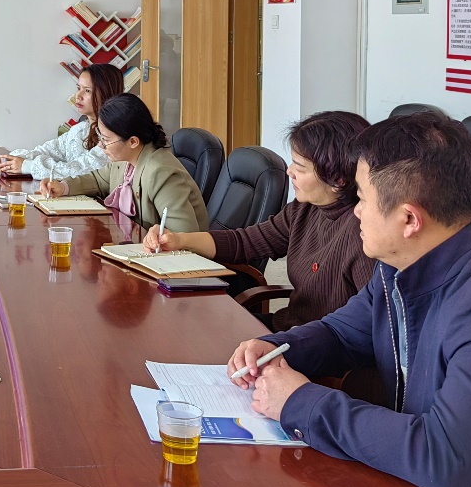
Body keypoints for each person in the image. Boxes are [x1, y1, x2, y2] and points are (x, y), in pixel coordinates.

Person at [228, 113, 471, 487]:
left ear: (409, 219)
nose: (355, 212)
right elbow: (343, 333)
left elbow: (442, 457)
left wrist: (300, 402)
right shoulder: (405, 263)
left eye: (362, 199)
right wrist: (273, 348)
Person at [143, 110, 374, 328]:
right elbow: (245, 242)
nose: (289, 172)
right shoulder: (304, 209)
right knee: (183, 324)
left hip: (313, 346)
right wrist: (179, 240)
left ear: (338, 179)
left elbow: (367, 330)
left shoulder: (365, 235)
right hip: (287, 331)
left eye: (300, 168)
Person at [40, 93, 207, 233]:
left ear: (133, 141)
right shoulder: (124, 159)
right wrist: (63, 187)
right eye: (101, 137)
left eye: (106, 140)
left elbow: (184, 236)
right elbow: (98, 179)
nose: (101, 145)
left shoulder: (160, 172)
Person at [0, 63, 124, 180]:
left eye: (87, 90)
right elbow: (47, 150)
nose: (78, 96)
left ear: (106, 93)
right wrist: (13, 160)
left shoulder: (113, 136)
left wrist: (27, 166)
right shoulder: (80, 129)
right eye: (78, 88)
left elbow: (78, 171)